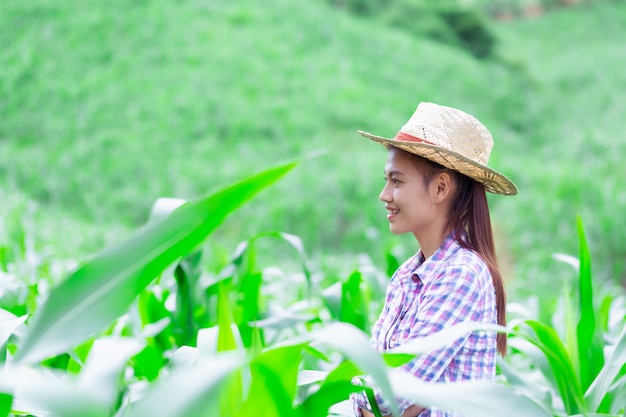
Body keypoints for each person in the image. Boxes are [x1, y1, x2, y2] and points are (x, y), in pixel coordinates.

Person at [349, 102, 518, 417]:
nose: (384, 194)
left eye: (396, 181)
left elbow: (389, 397)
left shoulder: (462, 274)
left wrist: (391, 400)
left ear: (441, 187)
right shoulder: (406, 276)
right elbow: (373, 381)